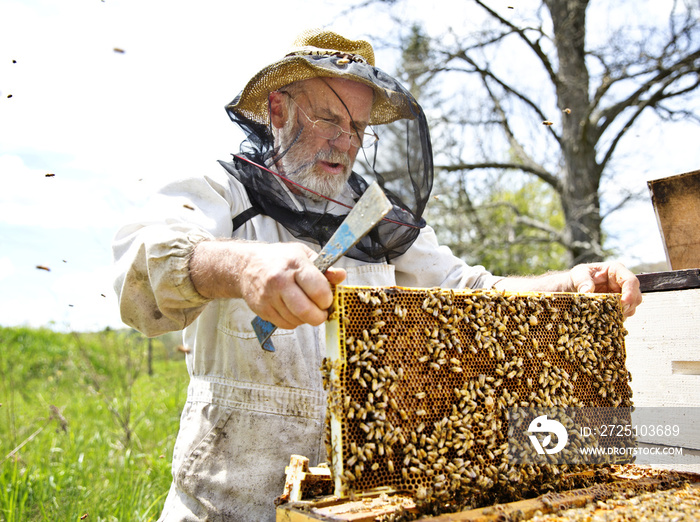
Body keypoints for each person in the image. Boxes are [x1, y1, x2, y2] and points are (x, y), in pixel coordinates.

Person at [112, 29, 642, 521]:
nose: (345, 141)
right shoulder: (219, 186)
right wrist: (244, 267)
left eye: (357, 127)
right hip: (225, 506)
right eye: (329, 118)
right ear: (278, 108)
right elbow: (144, 268)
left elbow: (473, 291)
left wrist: (569, 285)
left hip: (358, 505)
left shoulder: (378, 219)